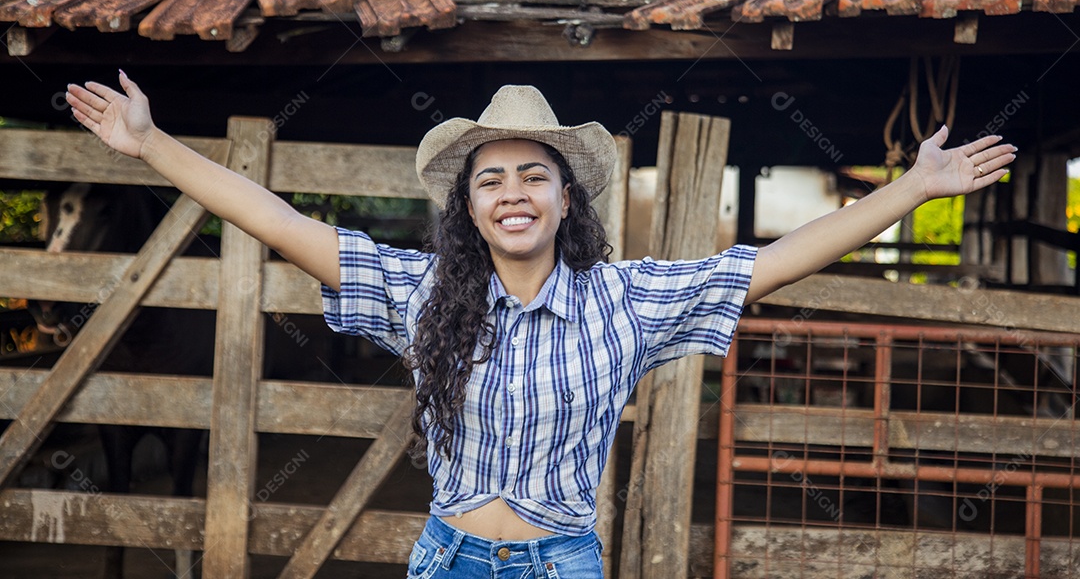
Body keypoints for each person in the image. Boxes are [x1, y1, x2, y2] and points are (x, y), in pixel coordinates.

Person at [65, 75, 1014, 578]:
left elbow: (777, 259)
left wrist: (914, 187)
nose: (512, 193)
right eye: (491, 179)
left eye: (532, 177)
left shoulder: (627, 301)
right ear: (469, 207)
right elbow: (275, 219)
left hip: (561, 563)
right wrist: (149, 143)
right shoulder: (426, 294)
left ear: (567, 198)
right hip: (447, 558)